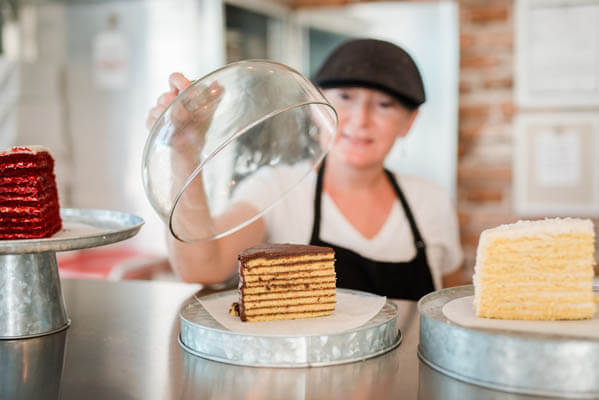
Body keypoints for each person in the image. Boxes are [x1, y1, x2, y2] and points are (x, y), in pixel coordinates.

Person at [146, 38, 465, 300]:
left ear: (409, 122)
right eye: (345, 97)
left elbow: (449, 305)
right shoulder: (277, 188)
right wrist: (184, 151)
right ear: (317, 107)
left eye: (384, 105)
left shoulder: (430, 200)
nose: (361, 119)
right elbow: (202, 267)